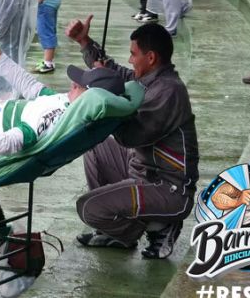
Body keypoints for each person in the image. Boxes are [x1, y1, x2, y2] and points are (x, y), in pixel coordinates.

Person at [65, 16, 199, 259]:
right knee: (95, 146)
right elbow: (111, 73)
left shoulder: (169, 91)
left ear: (151, 58)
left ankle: (159, 226)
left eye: (133, 54)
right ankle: (115, 232)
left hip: (168, 189)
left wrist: (88, 105)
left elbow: (130, 136)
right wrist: (84, 42)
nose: (129, 59)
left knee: (87, 208)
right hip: (143, 171)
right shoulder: (148, 79)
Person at [0, 27, 126, 157]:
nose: (73, 83)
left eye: (81, 85)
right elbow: (28, 84)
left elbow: (5, 144)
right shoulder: (65, 105)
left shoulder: (54, 119)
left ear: (92, 99)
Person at [32, 0, 65, 74]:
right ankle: (48, 60)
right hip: (49, 2)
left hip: (46, 2)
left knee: (45, 31)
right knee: (48, 30)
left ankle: (48, 62)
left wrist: (37, 2)